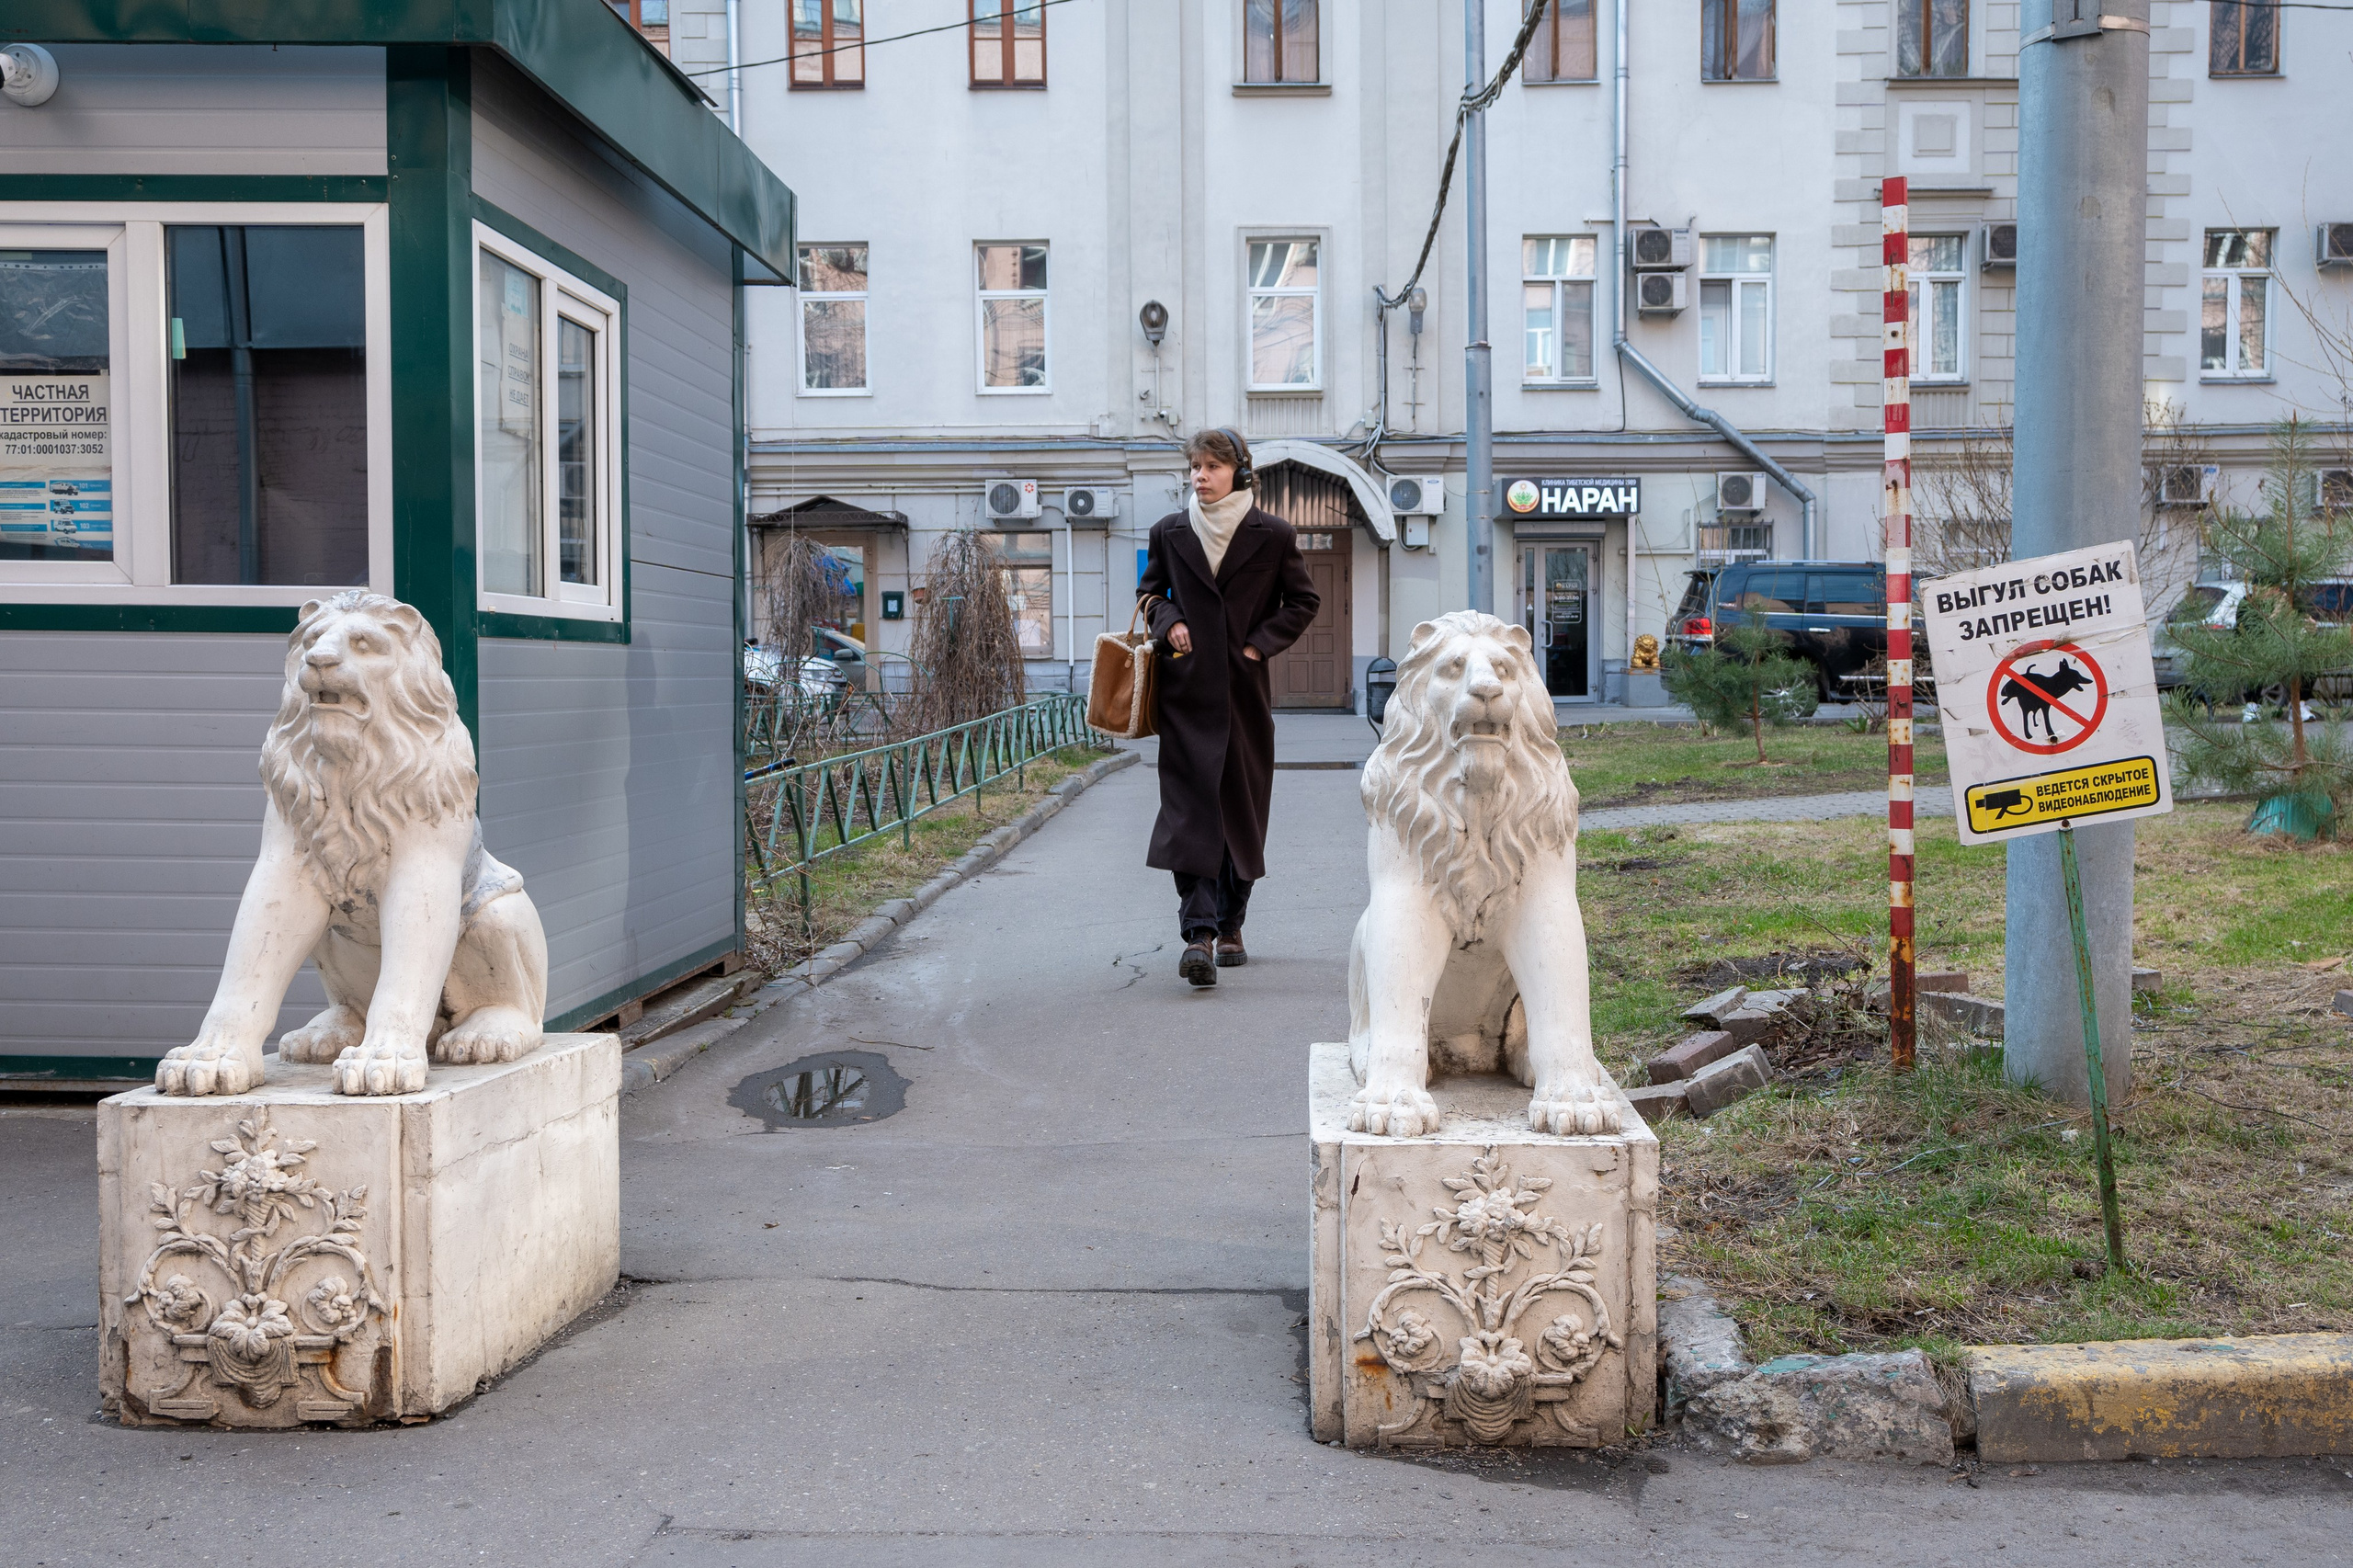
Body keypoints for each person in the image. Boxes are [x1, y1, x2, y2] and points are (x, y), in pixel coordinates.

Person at [1136, 428, 1320, 988]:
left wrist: (1258, 644)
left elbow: (1304, 601)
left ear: (1238, 472)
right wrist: (1170, 621)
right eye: (1195, 467)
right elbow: (1150, 594)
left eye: (1212, 466)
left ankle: (1231, 923)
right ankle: (1198, 935)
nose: (1200, 476)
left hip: (1244, 697)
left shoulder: (1274, 535)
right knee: (1190, 815)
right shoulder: (1169, 531)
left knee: (1241, 813)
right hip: (1185, 695)